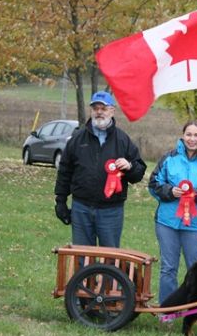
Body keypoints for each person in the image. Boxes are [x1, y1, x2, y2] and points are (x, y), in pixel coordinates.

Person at [54, 91, 147, 248]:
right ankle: (86, 274)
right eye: (95, 108)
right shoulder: (77, 138)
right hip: (81, 208)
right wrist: (60, 201)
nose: (99, 112)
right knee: (82, 258)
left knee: (110, 259)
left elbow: (138, 173)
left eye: (103, 108)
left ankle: (108, 274)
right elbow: (65, 171)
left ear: (112, 111)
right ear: (91, 111)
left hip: (111, 211)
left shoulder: (122, 140)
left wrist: (129, 166)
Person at [149, 121, 197, 304]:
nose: (192, 139)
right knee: (168, 269)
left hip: (196, 225)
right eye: (189, 134)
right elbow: (154, 184)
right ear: (183, 136)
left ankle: (194, 310)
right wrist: (170, 191)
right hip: (166, 223)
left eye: (196, 135)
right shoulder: (169, 158)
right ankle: (167, 310)